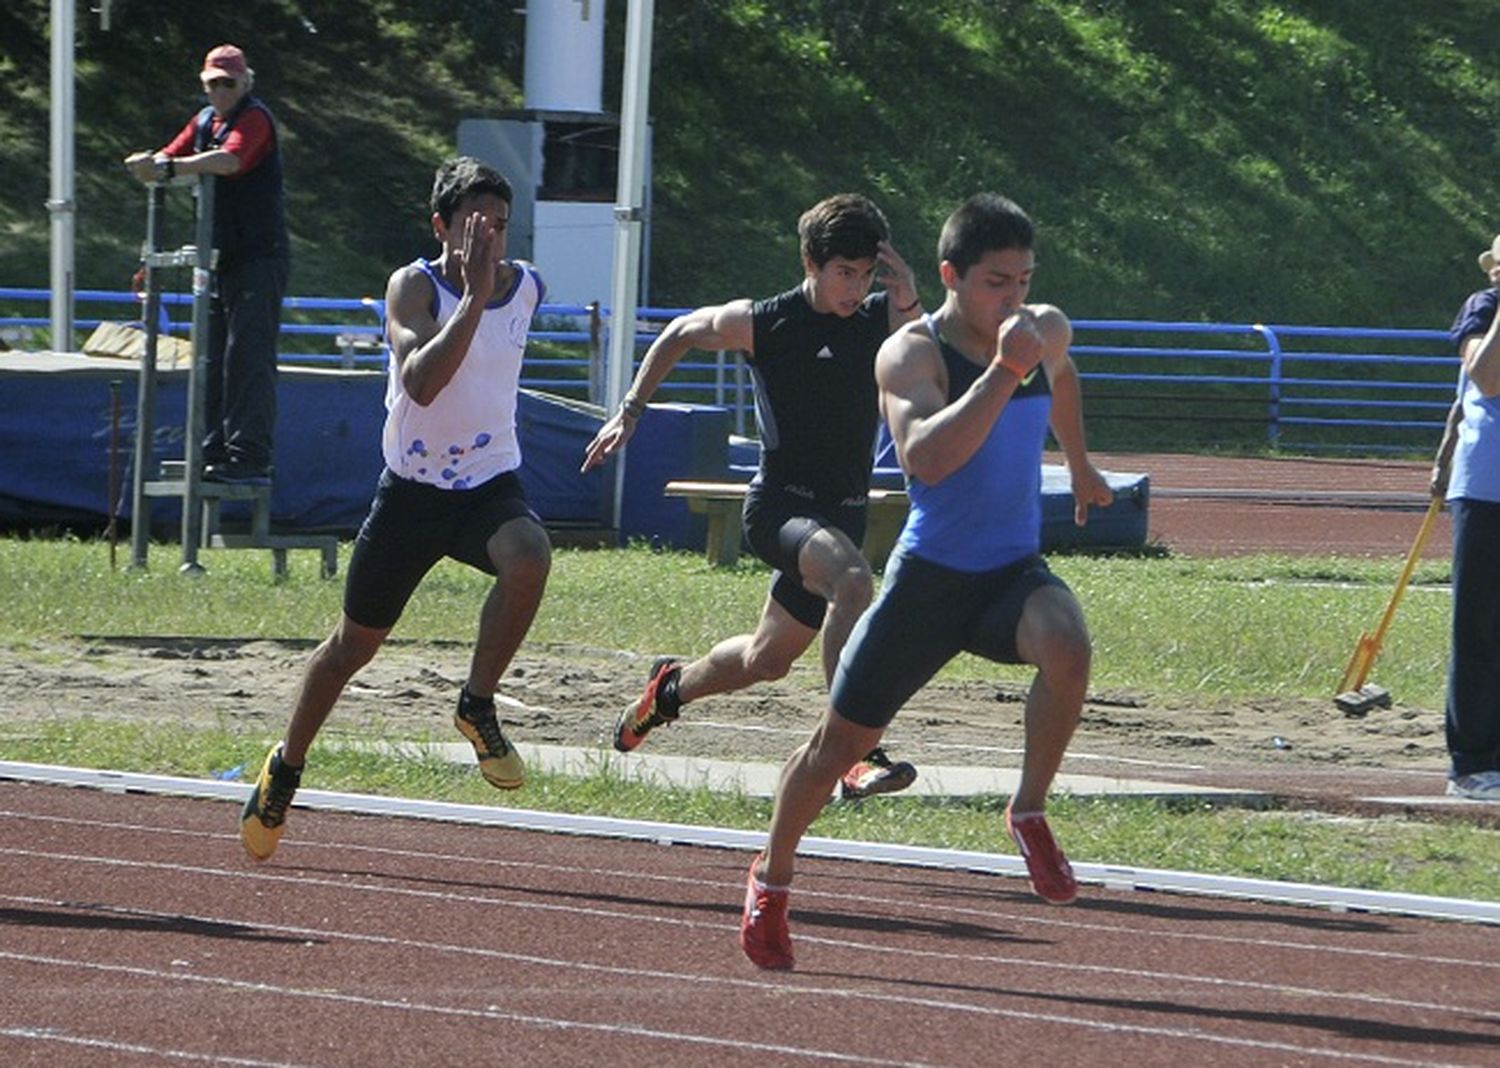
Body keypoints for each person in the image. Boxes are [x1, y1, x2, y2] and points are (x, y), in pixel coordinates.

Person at [739, 192, 1115, 969]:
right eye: (994, 283)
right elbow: (928, 459)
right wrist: (1003, 374)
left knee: (1068, 642)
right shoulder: (910, 353)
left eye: (1023, 280)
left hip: (1009, 571)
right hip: (930, 583)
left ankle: (1029, 810)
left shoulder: (1041, 330)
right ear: (950, 276)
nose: (1012, 299)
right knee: (835, 748)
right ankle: (771, 880)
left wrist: (1079, 465)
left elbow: (1065, 375)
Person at [239, 157, 552, 860]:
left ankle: (476, 703)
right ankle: (285, 767)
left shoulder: (528, 287)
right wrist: (469, 301)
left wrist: (488, 294)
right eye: (476, 226)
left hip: (486, 483)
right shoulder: (415, 286)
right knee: (352, 648)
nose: (491, 241)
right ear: (442, 226)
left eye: (501, 226)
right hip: (411, 491)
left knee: (529, 557)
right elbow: (421, 385)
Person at [581, 194, 924, 799]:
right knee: (851, 581)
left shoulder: (883, 318)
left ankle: (667, 690)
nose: (856, 286)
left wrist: (908, 295)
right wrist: (630, 411)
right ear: (810, 262)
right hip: (781, 508)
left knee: (767, 660)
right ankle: (852, 752)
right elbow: (682, 332)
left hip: (842, 512)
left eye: (866, 273)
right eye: (845, 272)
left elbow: (932, 354)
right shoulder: (767, 322)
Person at [124, 44, 289, 485]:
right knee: (212, 357)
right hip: (219, 259)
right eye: (212, 83)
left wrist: (166, 168)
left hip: (258, 255)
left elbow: (229, 160)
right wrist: (151, 163)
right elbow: (169, 157)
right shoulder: (202, 122)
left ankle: (249, 456)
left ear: (245, 83)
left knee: (247, 357)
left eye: (228, 83)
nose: (219, 91)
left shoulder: (254, 119)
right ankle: (212, 450)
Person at [1433, 237, 1500, 800]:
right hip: (1488, 488)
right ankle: (1473, 762)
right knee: (1479, 626)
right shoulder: (1482, 309)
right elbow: (1485, 377)